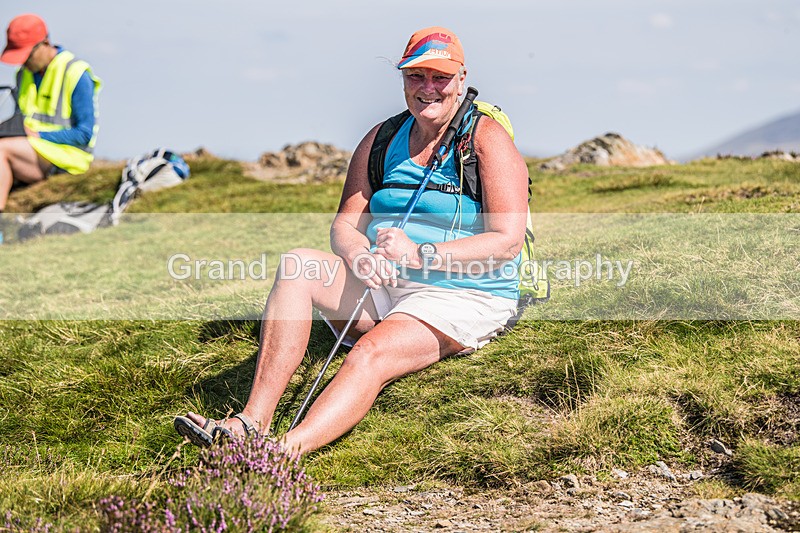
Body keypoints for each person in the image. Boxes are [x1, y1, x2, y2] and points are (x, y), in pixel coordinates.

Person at [174, 26, 530, 455]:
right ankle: (249, 424)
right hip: (387, 284)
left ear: (460, 78)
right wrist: (359, 255)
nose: (428, 88)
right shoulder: (382, 138)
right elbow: (345, 225)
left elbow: (507, 240)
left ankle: (280, 455)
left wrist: (420, 253)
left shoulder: (487, 138)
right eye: (416, 76)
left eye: (440, 76)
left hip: (463, 292)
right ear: (403, 80)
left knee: (369, 352)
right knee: (296, 265)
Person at [0, 13, 101, 215]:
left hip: (69, 158)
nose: (24, 62)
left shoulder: (76, 73)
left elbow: (84, 134)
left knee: (1, 150)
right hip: (31, 153)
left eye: (27, 55)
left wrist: (38, 136)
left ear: (45, 43)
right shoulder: (23, 75)